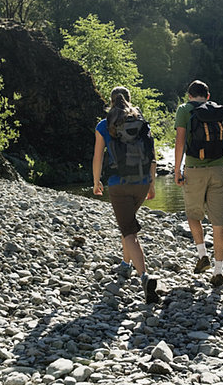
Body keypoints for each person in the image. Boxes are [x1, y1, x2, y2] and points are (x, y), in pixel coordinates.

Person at [92, 86, 159, 303]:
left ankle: (144, 276)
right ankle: (124, 264)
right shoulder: (140, 123)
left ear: (111, 102)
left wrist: (96, 181)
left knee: (128, 231)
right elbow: (152, 154)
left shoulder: (104, 125)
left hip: (118, 183)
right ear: (130, 100)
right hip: (141, 181)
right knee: (127, 222)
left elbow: (98, 157)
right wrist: (152, 183)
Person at [174, 80, 223, 286]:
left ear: (189, 95)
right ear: (208, 96)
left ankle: (203, 255)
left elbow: (180, 141)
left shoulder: (184, 110)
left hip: (194, 171)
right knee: (218, 222)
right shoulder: (220, 111)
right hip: (219, 171)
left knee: (193, 215)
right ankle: (218, 271)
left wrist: (177, 169)